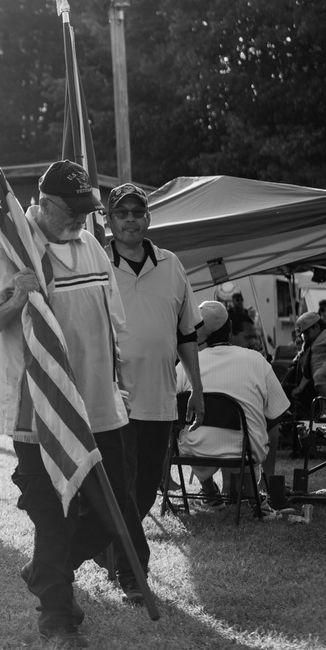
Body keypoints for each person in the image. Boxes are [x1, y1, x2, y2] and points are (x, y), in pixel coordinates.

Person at [0, 160, 150, 649]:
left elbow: (109, 322)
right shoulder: (8, 252)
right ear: (44, 205)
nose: (80, 221)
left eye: (86, 212)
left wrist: (117, 381)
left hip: (102, 408)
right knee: (55, 518)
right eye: (71, 212)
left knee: (114, 515)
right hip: (41, 414)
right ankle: (56, 620)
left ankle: (45, 572)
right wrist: (16, 299)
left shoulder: (89, 242)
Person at [104, 182, 204, 526]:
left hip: (160, 399)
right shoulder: (97, 265)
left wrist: (197, 389)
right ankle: (123, 563)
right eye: (122, 213)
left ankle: (113, 552)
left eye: (137, 213)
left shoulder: (171, 264)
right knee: (120, 487)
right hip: (111, 401)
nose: (130, 220)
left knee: (146, 489)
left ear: (148, 218)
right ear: (108, 218)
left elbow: (186, 331)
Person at [175, 302, 290, 507]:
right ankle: (251, 492)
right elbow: (277, 412)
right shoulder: (257, 360)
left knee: (188, 432)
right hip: (245, 450)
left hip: (196, 451)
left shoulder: (186, 365)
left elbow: (170, 405)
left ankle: (210, 493)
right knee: (256, 428)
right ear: (229, 329)